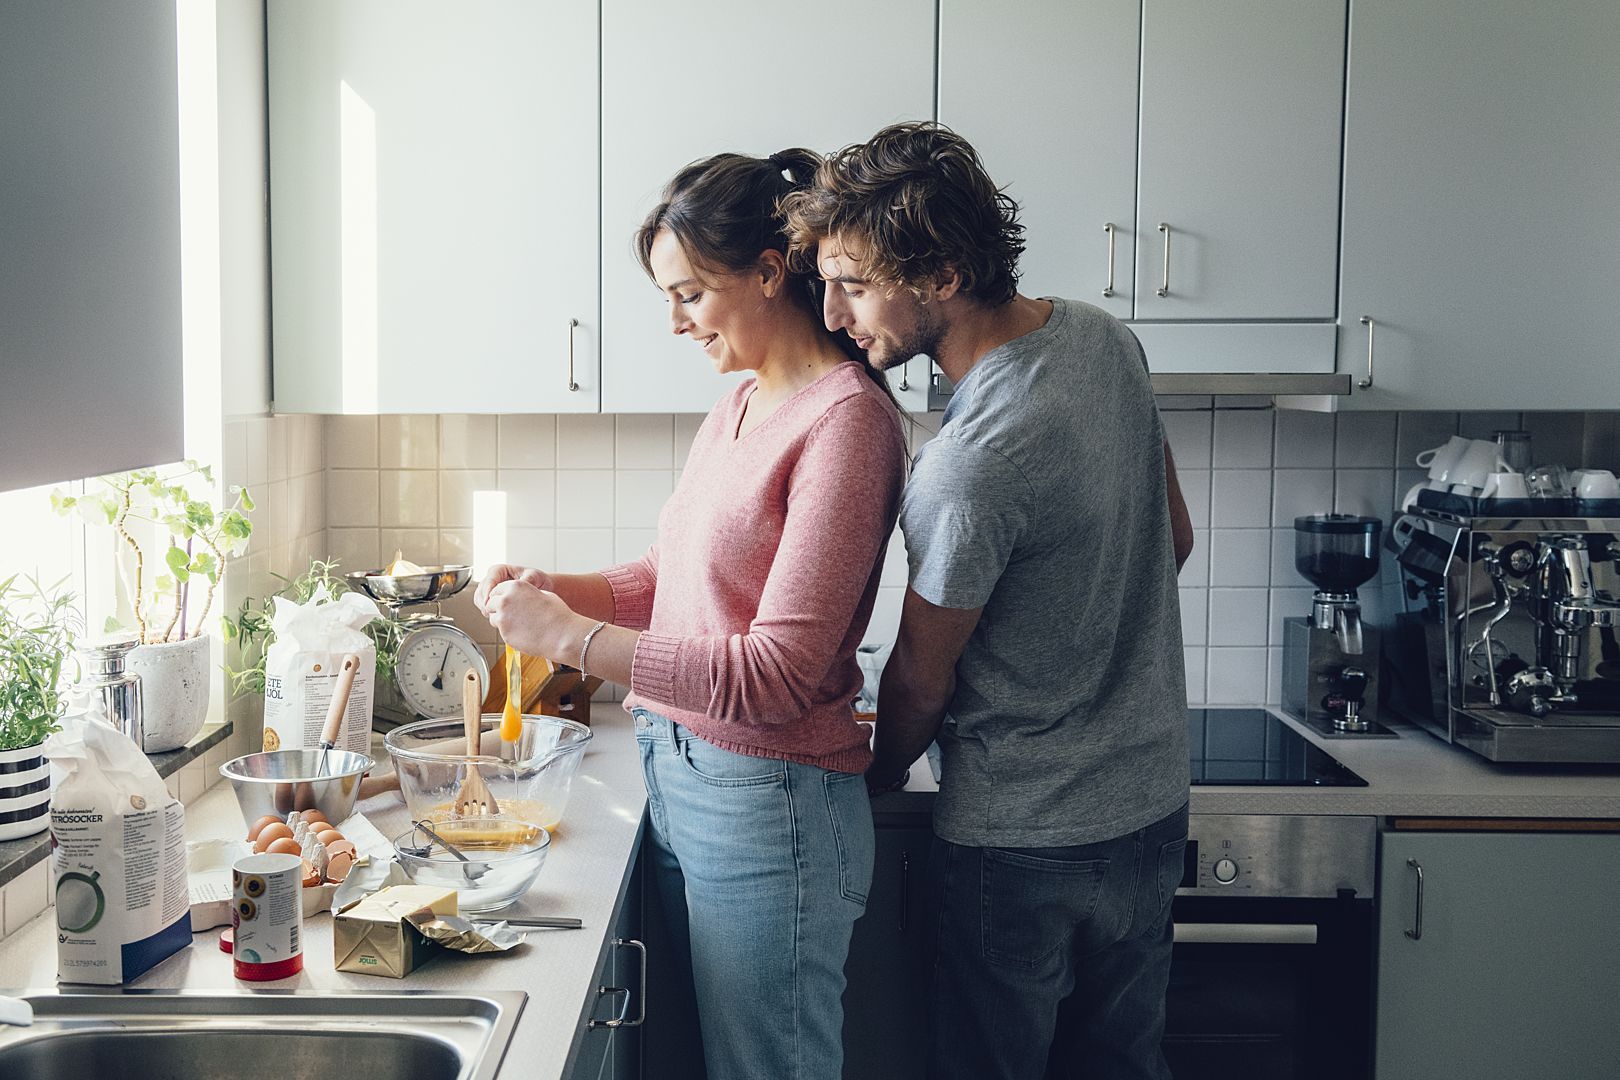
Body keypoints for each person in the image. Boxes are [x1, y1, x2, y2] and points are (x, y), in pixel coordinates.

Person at [474, 148, 908, 1080]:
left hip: (771, 801)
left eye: (691, 293)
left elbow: (775, 673)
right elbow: (668, 575)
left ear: (767, 271)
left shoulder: (849, 424)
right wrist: (561, 590)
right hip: (679, 774)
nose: (674, 322)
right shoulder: (740, 406)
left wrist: (570, 640)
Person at [781, 122, 1196, 1080]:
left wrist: (874, 775)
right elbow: (1171, 538)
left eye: (852, 282)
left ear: (941, 275)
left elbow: (925, 678)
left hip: (1021, 845)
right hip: (1148, 813)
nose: (834, 314)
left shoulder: (967, 465)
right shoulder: (1104, 340)